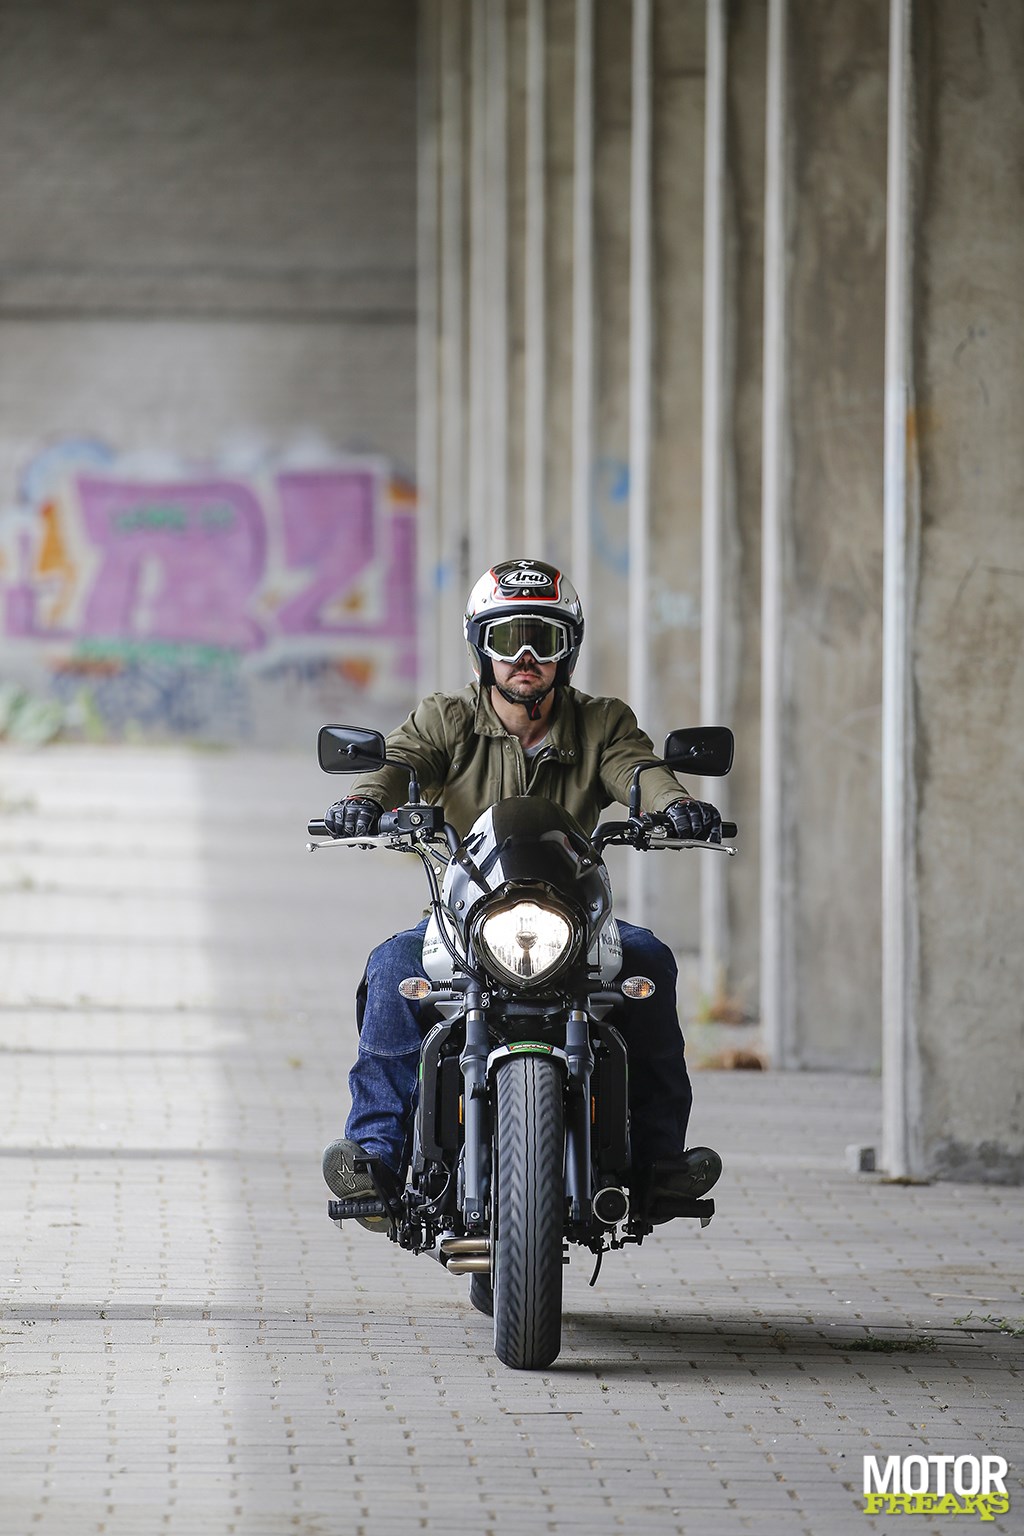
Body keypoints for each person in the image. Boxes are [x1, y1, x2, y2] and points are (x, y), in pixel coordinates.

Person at [322, 559, 723, 1229]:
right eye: (508, 639)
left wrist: (674, 804)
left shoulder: (601, 722)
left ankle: (660, 1164)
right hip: (463, 923)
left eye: (544, 637)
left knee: (650, 961)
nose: (526, 656)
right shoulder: (447, 717)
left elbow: (638, 770)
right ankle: (376, 1160)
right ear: (482, 647)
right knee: (392, 967)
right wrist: (364, 800)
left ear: (569, 649)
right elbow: (400, 762)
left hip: (575, 920)